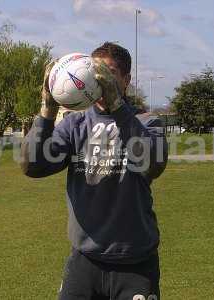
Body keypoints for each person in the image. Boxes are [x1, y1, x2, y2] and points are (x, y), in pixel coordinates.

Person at [20, 42, 168, 300]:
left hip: (135, 263)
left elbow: (152, 165)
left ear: (126, 80)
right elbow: (32, 166)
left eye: (107, 74)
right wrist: (47, 110)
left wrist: (118, 109)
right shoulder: (74, 124)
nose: (98, 81)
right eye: (93, 73)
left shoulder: (147, 122)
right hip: (84, 261)